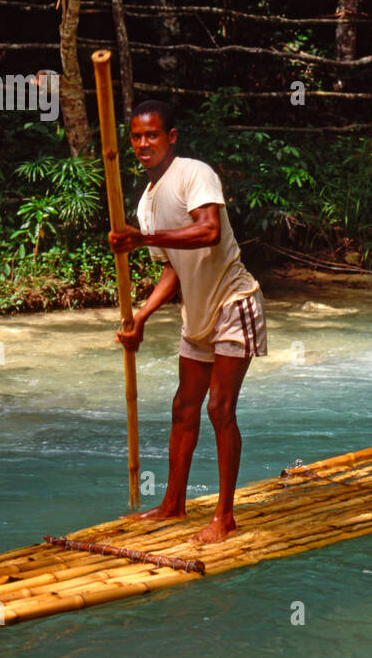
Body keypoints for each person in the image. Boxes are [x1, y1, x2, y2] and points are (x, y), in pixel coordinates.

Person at [108, 100, 266, 544]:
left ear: (171, 137)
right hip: (196, 314)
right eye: (136, 137)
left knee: (219, 409)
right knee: (183, 409)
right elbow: (172, 269)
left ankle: (225, 516)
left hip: (234, 303)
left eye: (152, 135)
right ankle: (172, 504)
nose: (143, 144)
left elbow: (209, 230)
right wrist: (140, 316)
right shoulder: (147, 204)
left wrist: (145, 239)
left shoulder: (194, 174)